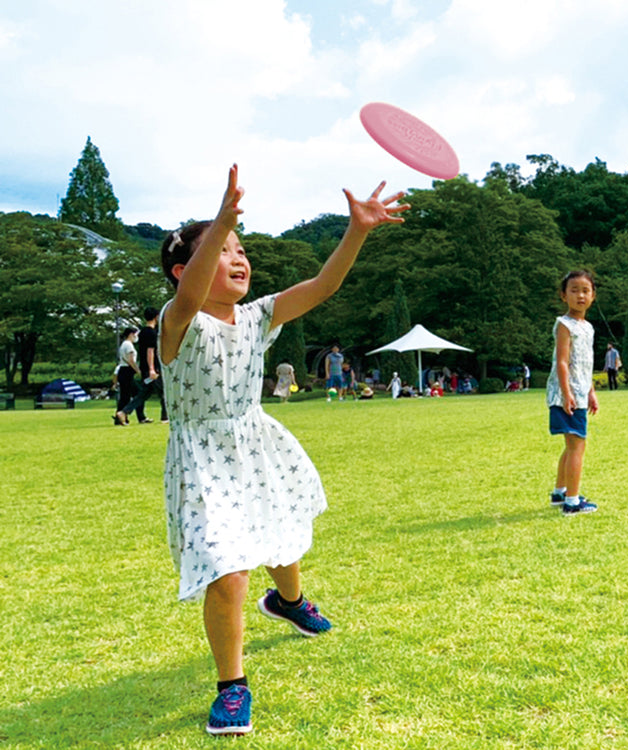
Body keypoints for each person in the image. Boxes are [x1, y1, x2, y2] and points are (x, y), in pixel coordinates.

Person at [158, 164, 407, 736]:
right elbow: (193, 294)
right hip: (202, 455)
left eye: (241, 247)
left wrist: (358, 232)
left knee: (281, 525)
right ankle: (232, 685)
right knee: (228, 569)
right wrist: (219, 221)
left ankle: (290, 601)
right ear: (182, 270)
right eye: (225, 249)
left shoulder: (257, 316)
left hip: (255, 441)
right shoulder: (177, 323)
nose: (238, 256)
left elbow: (322, 287)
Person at [546, 270, 599, 515]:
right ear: (563, 295)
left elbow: (585, 364)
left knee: (571, 444)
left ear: (593, 296)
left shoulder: (587, 327)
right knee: (577, 444)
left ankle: (560, 492)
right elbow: (563, 362)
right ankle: (572, 501)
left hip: (579, 392)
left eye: (585, 290)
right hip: (566, 394)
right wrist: (568, 394)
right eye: (574, 290)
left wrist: (591, 391)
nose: (580, 295)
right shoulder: (564, 324)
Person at [115, 307, 169, 425]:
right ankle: (165, 417)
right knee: (164, 391)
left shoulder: (142, 332)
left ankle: (124, 412)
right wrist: (152, 369)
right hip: (152, 368)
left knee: (145, 392)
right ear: (156, 317)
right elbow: (150, 351)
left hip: (145, 367)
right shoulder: (151, 333)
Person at [113, 327, 140, 424]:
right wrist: (138, 370)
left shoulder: (124, 344)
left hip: (124, 371)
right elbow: (131, 360)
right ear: (131, 334)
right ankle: (121, 416)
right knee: (129, 395)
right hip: (127, 371)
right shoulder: (128, 345)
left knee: (128, 395)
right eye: (135, 334)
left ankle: (122, 416)